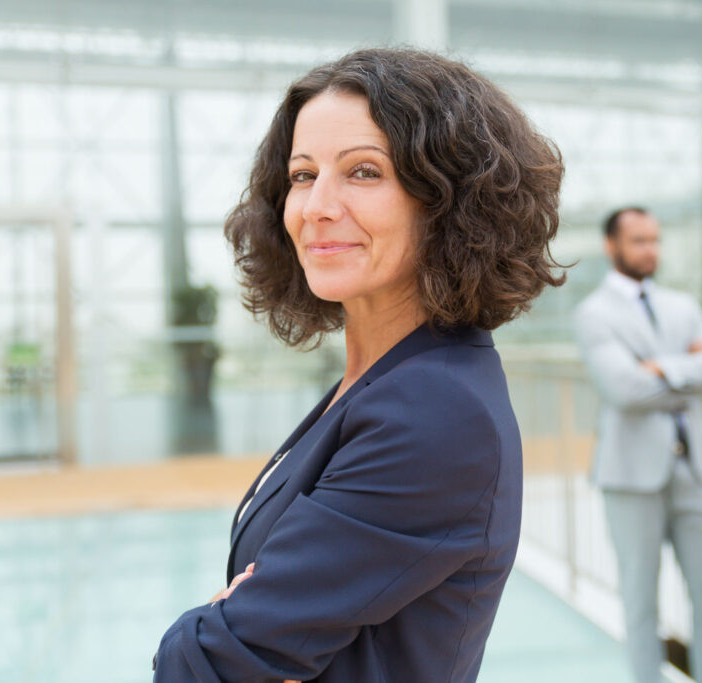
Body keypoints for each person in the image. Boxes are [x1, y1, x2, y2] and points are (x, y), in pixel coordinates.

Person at [151, 47, 565, 683]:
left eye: (364, 172)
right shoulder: (383, 379)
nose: (316, 205)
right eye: (301, 175)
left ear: (449, 199)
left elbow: (224, 661)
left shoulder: (433, 411)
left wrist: (196, 630)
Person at [574, 207, 702, 683]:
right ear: (612, 246)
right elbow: (624, 389)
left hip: (697, 470)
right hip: (630, 477)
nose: (651, 250)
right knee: (641, 603)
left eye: (655, 240)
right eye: (639, 240)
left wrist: (660, 369)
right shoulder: (593, 313)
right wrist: (689, 369)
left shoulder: (682, 306)